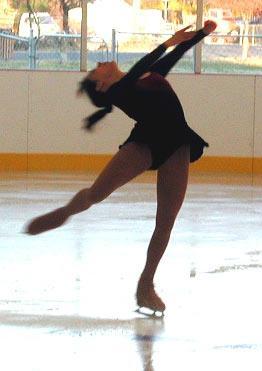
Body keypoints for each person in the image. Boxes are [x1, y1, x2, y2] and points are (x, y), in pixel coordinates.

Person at [25, 20, 217, 314]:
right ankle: (66, 211)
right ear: (102, 84)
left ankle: (146, 285)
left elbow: (168, 61)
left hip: (178, 144)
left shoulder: (147, 77)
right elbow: (141, 67)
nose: (101, 61)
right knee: (96, 195)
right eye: (97, 68)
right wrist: (168, 41)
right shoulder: (118, 91)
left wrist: (199, 36)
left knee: (166, 221)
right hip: (144, 144)